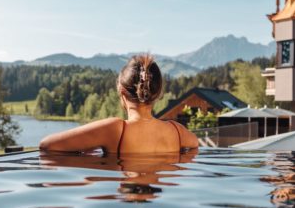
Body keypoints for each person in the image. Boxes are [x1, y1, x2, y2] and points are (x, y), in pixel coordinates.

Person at [39, 54, 198, 155]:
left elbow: (46, 145)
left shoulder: (115, 129)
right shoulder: (177, 132)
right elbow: (195, 145)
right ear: (158, 94)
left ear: (122, 91)